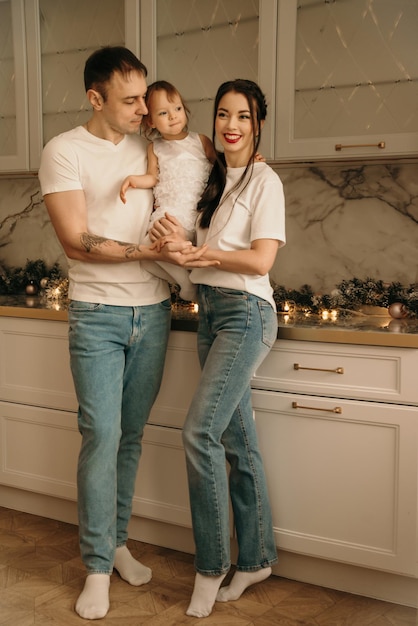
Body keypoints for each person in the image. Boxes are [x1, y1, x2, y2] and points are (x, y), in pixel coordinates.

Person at [38, 46, 215, 621]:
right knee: (102, 434)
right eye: (132, 99)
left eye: (147, 98)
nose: (146, 108)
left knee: (131, 436)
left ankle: (115, 542)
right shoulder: (64, 151)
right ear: (96, 98)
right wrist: (145, 250)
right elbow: (74, 239)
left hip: (155, 310)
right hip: (98, 313)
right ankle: (95, 565)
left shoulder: (155, 143)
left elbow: (202, 171)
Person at [152, 78, 286, 618]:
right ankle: (255, 559)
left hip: (247, 314)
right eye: (224, 115)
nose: (232, 125)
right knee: (238, 443)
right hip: (209, 313)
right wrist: (176, 246)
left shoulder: (265, 181)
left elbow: (260, 261)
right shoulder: (214, 180)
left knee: (198, 432)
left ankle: (210, 567)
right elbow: (201, 248)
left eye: (244, 117)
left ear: (257, 125)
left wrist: (205, 258)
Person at [120, 80, 216, 301]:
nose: (173, 116)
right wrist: (133, 180)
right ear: (151, 121)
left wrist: (250, 161)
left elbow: (222, 166)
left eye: (178, 109)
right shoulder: (155, 147)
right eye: (163, 113)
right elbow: (152, 177)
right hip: (168, 212)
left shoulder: (200, 141)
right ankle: (186, 282)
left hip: (193, 214)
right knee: (144, 255)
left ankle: (187, 282)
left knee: (155, 248)